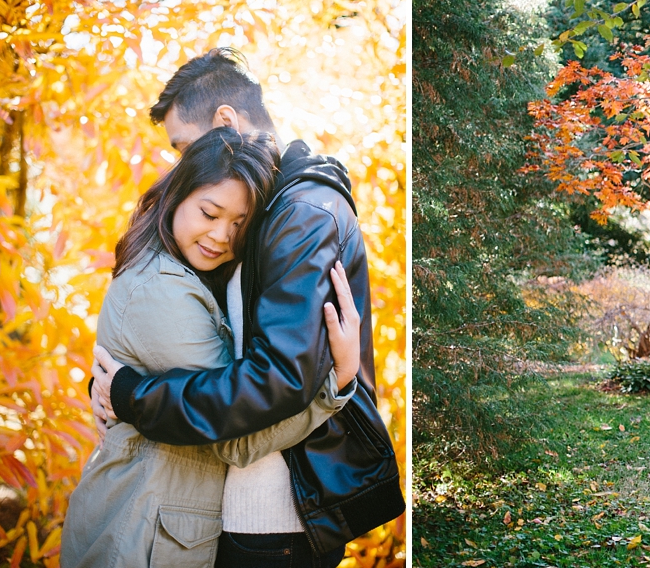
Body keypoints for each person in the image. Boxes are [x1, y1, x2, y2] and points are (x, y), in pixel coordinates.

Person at [87, 48, 405, 567]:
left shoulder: (299, 215)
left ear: (225, 123)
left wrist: (132, 395)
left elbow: (275, 380)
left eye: (184, 145)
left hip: (275, 518)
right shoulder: (251, 215)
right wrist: (114, 379)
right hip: (233, 510)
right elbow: (196, 334)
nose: (182, 164)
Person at [63, 129, 363, 567]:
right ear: (175, 195)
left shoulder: (190, 273)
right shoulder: (162, 290)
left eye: (239, 224)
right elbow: (235, 438)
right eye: (209, 213)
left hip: (158, 526)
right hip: (141, 536)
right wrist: (336, 381)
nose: (222, 235)